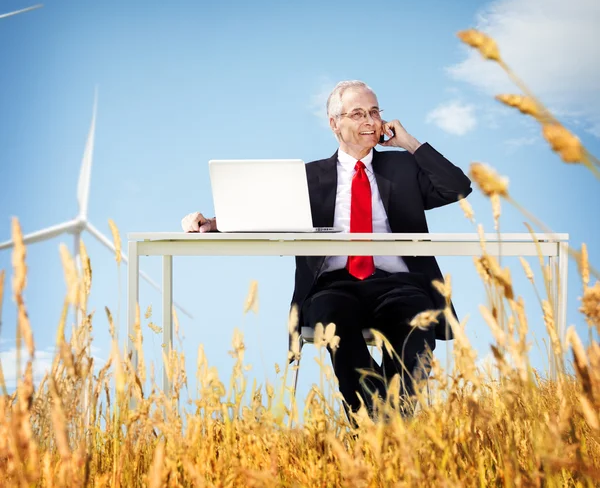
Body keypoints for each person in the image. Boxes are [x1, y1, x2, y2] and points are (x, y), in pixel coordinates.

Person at [181, 80, 472, 422]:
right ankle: (386, 426)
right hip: (334, 286)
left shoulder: (403, 168)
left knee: (415, 326)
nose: (370, 120)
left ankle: (380, 429)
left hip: (399, 285)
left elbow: (457, 188)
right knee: (334, 322)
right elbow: (260, 214)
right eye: (358, 113)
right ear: (334, 123)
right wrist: (213, 223)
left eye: (375, 112)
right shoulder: (308, 176)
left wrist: (409, 143)